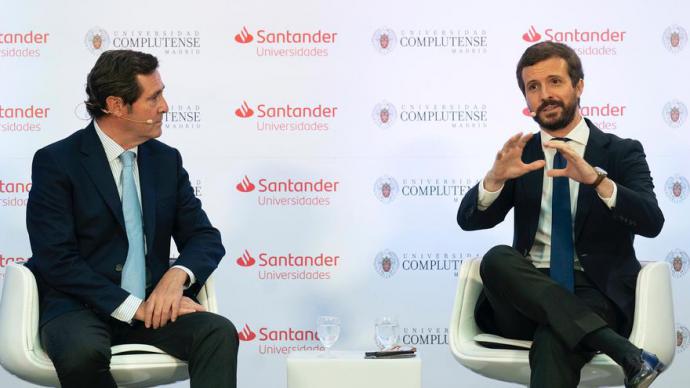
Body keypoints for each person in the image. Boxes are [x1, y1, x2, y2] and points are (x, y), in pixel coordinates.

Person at [457, 42, 665, 388]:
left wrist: (598, 181)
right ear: (525, 99)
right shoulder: (521, 156)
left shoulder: (621, 152)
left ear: (578, 85)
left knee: (557, 339)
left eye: (554, 82)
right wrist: (494, 179)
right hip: (524, 296)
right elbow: (470, 221)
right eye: (533, 87)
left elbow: (651, 222)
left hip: (594, 292)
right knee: (496, 258)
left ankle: (616, 345)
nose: (544, 95)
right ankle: (626, 352)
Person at [26, 49, 238, 388]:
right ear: (115, 104)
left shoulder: (166, 161)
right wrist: (130, 307)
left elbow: (204, 237)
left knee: (217, 332)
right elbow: (56, 259)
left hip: (154, 306)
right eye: (153, 97)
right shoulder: (57, 162)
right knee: (83, 352)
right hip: (79, 306)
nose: (165, 106)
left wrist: (176, 277)